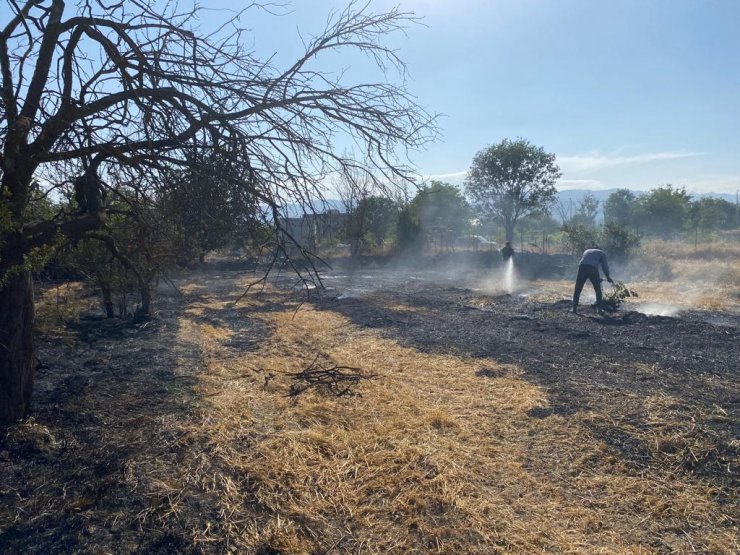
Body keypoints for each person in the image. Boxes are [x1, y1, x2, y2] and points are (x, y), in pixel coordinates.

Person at [572, 245, 613, 314]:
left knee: (578, 289)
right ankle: (599, 310)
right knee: (598, 289)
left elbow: (586, 266)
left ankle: (574, 309)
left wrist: (597, 278)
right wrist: (608, 277)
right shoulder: (602, 253)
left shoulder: (587, 251)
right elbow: (604, 266)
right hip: (592, 268)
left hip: (582, 267)